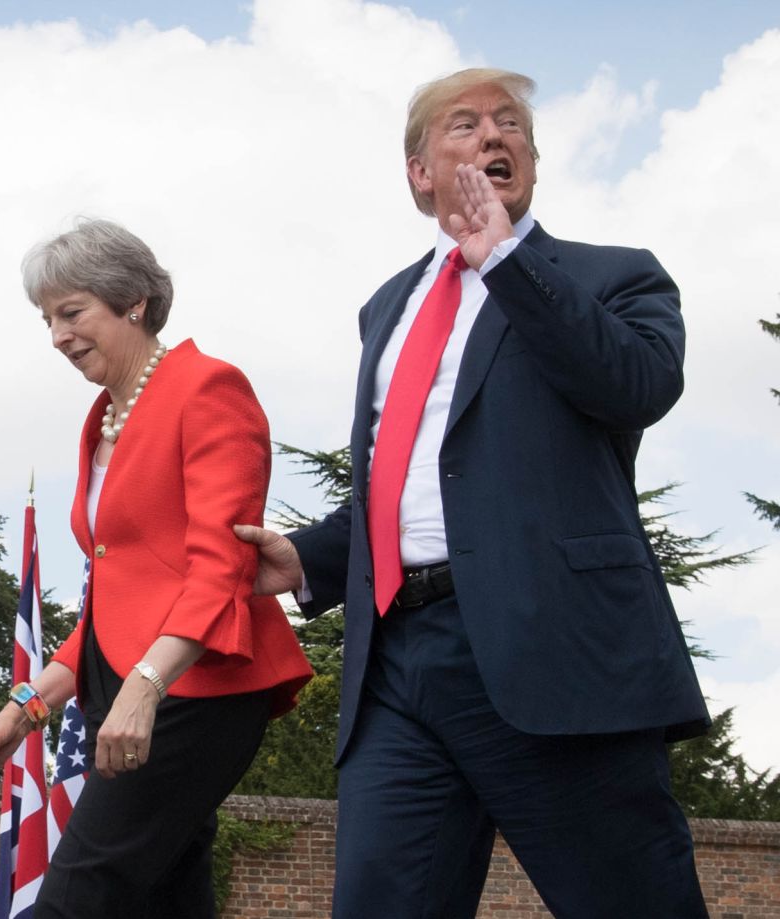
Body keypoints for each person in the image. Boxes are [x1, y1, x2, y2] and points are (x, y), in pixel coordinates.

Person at [235, 68, 711, 918]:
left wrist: (510, 262)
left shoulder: (615, 277)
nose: (494, 136)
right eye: (465, 124)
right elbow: (417, 479)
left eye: (510, 125)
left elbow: (636, 386)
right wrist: (309, 558)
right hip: (398, 671)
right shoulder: (389, 306)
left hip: (556, 654)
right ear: (419, 172)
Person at [0, 218, 312, 918]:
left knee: (76, 895)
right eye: (47, 319)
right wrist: (23, 713)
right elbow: (111, 605)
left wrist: (146, 685)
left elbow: (220, 567)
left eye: (72, 311)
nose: (57, 334)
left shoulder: (207, 388)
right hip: (123, 693)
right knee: (166, 899)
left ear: (134, 302)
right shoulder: (103, 420)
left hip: (198, 689)